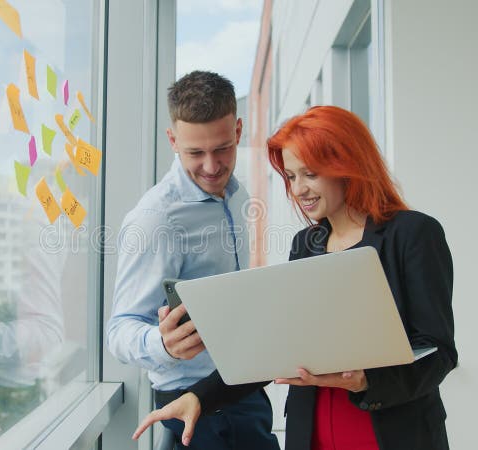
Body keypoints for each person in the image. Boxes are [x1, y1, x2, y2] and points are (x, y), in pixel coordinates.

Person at [132, 105, 457, 450]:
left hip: (389, 431)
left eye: (310, 174)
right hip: (312, 432)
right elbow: (274, 349)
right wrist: (199, 398)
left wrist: (365, 380)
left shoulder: (413, 234)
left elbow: (440, 353)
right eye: (291, 176)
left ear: (347, 166)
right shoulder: (307, 244)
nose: (299, 189)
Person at [106, 71, 280, 449]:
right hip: (194, 407)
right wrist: (163, 345)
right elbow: (118, 331)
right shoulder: (156, 219)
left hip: (241, 390)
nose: (212, 167)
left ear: (238, 129)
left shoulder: (235, 194)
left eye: (222, 149)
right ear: (173, 140)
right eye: (195, 153)